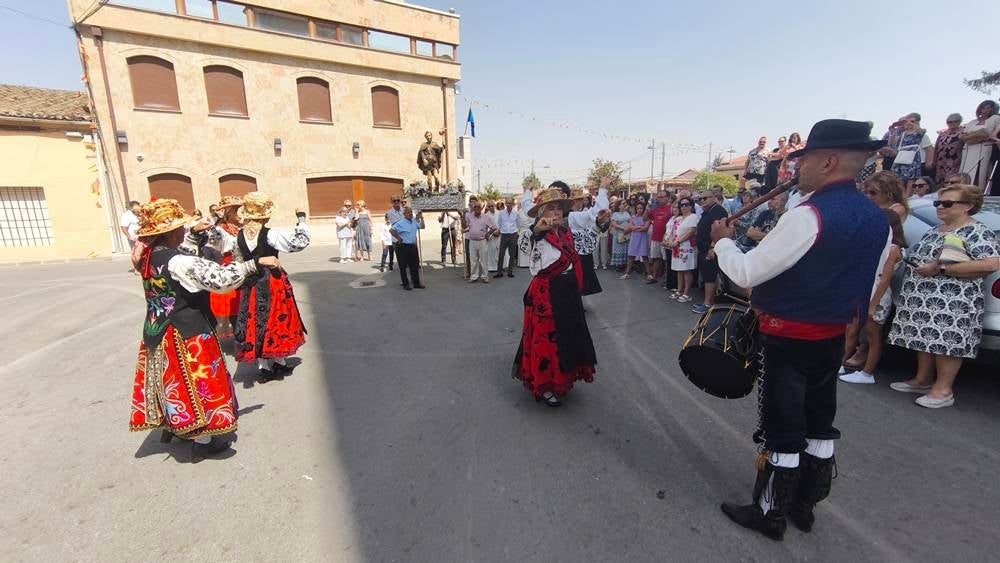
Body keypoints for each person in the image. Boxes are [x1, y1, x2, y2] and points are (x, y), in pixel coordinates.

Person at [711, 119, 890, 541]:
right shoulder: (876, 218)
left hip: (789, 336)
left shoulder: (807, 215)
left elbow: (748, 272)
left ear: (828, 161)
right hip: (832, 336)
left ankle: (770, 513)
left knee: (783, 424)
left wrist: (722, 241)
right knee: (819, 419)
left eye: (803, 160)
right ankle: (804, 505)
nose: (796, 170)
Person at [128, 198, 280, 457]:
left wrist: (195, 240)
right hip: (186, 332)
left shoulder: (147, 256)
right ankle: (204, 440)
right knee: (198, 385)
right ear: (172, 232)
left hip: (158, 329)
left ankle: (178, 425)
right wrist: (255, 264)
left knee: (173, 383)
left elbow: (187, 261)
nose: (184, 232)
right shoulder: (177, 261)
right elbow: (220, 279)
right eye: (181, 229)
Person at [887, 183, 999, 408]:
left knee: (946, 343)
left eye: (947, 203)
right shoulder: (937, 229)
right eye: (938, 203)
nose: (940, 207)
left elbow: (991, 263)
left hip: (954, 300)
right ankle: (923, 380)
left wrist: (942, 269)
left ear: (968, 206)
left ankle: (943, 390)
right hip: (926, 297)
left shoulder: (977, 231)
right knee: (927, 338)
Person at [211, 193, 311, 381]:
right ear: (264, 216)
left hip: (250, 283)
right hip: (271, 282)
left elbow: (221, 248)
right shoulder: (270, 234)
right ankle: (279, 362)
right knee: (276, 318)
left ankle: (264, 365)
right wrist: (301, 219)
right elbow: (300, 242)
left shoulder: (237, 236)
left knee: (255, 319)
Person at [512, 188, 597, 407]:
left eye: (559, 207)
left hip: (568, 291)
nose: (556, 212)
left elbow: (588, 244)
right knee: (547, 341)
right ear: (541, 212)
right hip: (546, 293)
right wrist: (535, 231)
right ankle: (545, 384)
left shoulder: (567, 233)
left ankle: (563, 378)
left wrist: (602, 223)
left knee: (567, 337)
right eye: (551, 207)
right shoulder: (535, 234)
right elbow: (522, 249)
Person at [840, 210, 906, 384]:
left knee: (873, 335)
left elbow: (884, 280)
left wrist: (873, 304)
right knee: (850, 330)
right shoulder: (878, 244)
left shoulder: (893, 249)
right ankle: (840, 363)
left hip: (878, 295)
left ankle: (867, 373)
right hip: (864, 290)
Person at [566, 179, 611, 294]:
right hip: (574, 251)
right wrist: (602, 190)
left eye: (581, 199)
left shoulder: (575, 214)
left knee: (577, 279)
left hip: (576, 250)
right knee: (575, 278)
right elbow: (597, 212)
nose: (580, 202)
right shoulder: (572, 215)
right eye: (578, 200)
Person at [208, 195, 244, 340]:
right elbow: (214, 245)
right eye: (236, 210)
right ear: (228, 213)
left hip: (247, 266)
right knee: (235, 305)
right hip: (232, 267)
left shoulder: (243, 227)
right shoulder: (220, 230)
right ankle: (240, 338)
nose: (240, 213)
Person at [691, 189, 728, 314]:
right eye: (700, 199)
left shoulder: (718, 210)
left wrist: (712, 247)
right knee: (707, 276)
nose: (702, 201)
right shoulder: (706, 212)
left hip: (710, 249)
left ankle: (707, 304)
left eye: (705, 198)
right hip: (703, 249)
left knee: (710, 277)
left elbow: (721, 229)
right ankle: (709, 302)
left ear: (714, 198)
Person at [959, 100, 1000, 191]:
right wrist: (975, 136)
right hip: (968, 150)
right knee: (964, 173)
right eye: (982, 107)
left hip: (984, 148)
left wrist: (973, 136)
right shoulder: (972, 122)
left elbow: (989, 134)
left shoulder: (995, 118)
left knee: (981, 174)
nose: (984, 110)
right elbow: (962, 135)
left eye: (988, 108)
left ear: (993, 109)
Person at [886, 113, 933, 186]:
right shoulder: (903, 134)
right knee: (898, 178)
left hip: (914, 159)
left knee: (911, 179)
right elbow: (892, 143)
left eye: (911, 121)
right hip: (902, 158)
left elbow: (929, 148)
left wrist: (929, 162)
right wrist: (892, 132)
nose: (906, 123)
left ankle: (909, 195)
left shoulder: (920, 133)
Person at [666, 196, 698, 302]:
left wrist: (677, 242)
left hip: (686, 247)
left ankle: (686, 293)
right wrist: (671, 241)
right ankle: (679, 290)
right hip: (676, 247)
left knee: (686, 270)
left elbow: (691, 231)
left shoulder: (693, 217)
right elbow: (672, 232)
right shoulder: (678, 218)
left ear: (691, 206)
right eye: (682, 205)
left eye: (686, 204)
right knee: (679, 270)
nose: (684, 207)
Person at [389, 207, 426, 290]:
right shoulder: (400, 222)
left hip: (412, 246)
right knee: (403, 266)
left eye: (411, 212)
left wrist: (422, 218)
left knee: (415, 265)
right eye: (408, 212)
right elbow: (391, 230)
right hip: (403, 246)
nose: (410, 214)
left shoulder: (414, 221)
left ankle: (416, 283)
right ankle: (405, 284)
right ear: (404, 214)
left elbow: (422, 227)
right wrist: (398, 238)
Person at [463, 199, 496, 283]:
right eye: (475, 207)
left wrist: (488, 234)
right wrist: (462, 215)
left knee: (484, 260)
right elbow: (465, 226)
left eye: (479, 207)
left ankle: (485, 276)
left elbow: (494, 227)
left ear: (481, 208)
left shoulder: (486, 217)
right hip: (472, 241)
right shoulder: (469, 216)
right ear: (473, 208)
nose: (477, 208)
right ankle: (474, 276)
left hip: (482, 241)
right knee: (473, 260)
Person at [647, 191, 674, 285]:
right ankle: (654, 277)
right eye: (658, 197)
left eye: (662, 197)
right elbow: (645, 218)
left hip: (666, 239)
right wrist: (649, 207)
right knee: (656, 258)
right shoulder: (655, 208)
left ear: (668, 197)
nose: (659, 199)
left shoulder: (671, 208)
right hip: (655, 237)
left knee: (666, 260)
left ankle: (667, 279)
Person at [933, 113, 965, 186]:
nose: (952, 123)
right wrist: (934, 161)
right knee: (940, 181)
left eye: (955, 121)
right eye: (949, 122)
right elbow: (936, 147)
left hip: (954, 162)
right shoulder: (942, 133)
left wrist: (959, 159)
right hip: (941, 162)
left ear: (960, 121)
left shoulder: (963, 132)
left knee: (951, 180)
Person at [621, 201, 649, 280]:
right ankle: (627, 273)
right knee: (631, 256)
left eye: (641, 208)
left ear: (644, 209)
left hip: (643, 238)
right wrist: (638, 227)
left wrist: (635, 227)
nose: (639, 210)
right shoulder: (633, 217)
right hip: (634, 238)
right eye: (638, 208)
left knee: (644, 256)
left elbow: (645, 228)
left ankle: (649, 273)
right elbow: (630, 227)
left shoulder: (646, 217)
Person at [495, 197, 519, 278]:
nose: (508, 205)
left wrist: (516, 232)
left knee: (512, 255)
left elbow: (518, 223)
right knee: (501, 254)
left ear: (512, 204)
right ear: (505, 204)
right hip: (504, 235)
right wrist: (500, 230)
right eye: (507, 203)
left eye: (510, 203)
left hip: (513, 234)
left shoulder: (516, 213)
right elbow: (499, 223)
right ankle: (499, 272)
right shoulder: (501, 213)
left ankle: (510, 272)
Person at [120, 200, 141, 271]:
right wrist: (129, 236)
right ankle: (137, 269)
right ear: (131, 208)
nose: (138, 209)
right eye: (136, 208)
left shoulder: (140, 213)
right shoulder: (127, 215)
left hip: (143, 236)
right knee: (136, 253)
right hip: (134, 238)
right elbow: (123, 227)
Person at [609, 200, 631, 270]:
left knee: (625, 248)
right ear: (618, 206)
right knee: (619, 248)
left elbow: (630, 221)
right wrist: (622, 228)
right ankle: (618, 264)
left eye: (625, 203)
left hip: (627, 233)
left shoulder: (627, 213)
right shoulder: (615, 214)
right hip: (618, 233)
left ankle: (624, 263)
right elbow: (614, 224)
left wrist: (628, 228)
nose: (624, 205)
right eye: (622, 204)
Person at [484, 201, 500, 273]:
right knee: (492, 251)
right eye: (489, 206)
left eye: (492, 206)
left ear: (495, 206)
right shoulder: (486, 215)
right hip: (492, 236)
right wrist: (492, 232)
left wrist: (499, 231)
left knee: (499, 251)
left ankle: (500, 266)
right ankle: (492, 267)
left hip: (500, 234)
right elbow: (486, 226)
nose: (491, 207)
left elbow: (502, 223)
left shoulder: (499, 213)